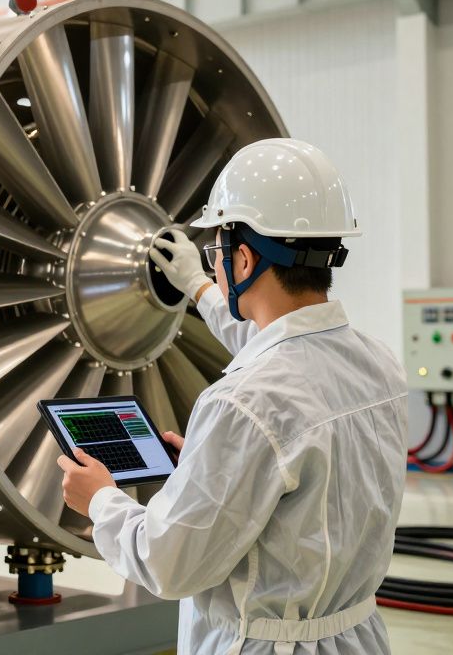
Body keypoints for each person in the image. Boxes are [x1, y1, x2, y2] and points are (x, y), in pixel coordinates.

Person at [58, 138, 409, 655]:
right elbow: (282, 354)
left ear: (243, 260)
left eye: (217, 251)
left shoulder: (242, 403)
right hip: (356, 639)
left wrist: (102, 500)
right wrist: (198, 287)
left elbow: (167, 563)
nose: (216, 263)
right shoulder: (380, 367)